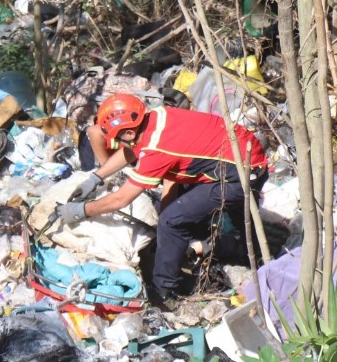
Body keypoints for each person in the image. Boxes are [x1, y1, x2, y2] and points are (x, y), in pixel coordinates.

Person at [57, 93, 268, 303]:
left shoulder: (157, 150)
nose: (117, 143)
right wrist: (96, 177)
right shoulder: (155, 117)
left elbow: (120, 200)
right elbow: (132, 150)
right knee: (240, 222)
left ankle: (164, 290)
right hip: (244, 155)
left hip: (240, 174)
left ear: (129, 132)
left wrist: (80, 211)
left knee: (171, 220)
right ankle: (256, 255)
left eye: (118, 138)